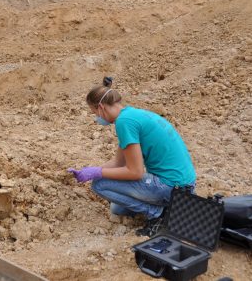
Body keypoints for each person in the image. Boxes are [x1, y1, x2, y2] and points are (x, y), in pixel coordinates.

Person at [68, 77, 196, 237]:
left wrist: (97, 173)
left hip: (173, 188)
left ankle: (158, 213)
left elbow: (135, 172)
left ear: (100, 107)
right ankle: (161, 207)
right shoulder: (131, 115)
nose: (96, 118)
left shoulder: (124, 123)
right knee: (118, 208)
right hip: (183, 184)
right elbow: (118, 162)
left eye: (94, 113)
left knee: (99, 185)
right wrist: (89, 170)